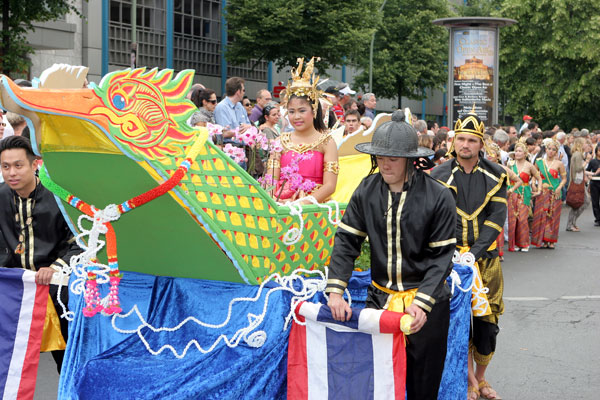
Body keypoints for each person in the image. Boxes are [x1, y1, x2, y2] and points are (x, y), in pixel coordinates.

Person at [327, 109, 456, 400]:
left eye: (393, 158)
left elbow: (441, 258)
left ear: (410, 160)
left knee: (423, 386)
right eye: (380, 157)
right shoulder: (366, 190)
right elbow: (347, 241)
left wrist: (422, 304)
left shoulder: (439, 196)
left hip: (427, 305)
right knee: (381, 383)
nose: (385, 164)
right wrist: (336, 290)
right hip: (381, 301)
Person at [430, 110, 507, 400]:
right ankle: (469, 379)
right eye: (461, 139)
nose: (465, 145)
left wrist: (473, 254)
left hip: (485, 259)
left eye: (471, 140)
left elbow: (495, 219)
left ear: (480, 144)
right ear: (453, 142)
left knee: (488, 324)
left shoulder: (497, 175)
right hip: (450, 261)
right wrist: (452, 253)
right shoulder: (438, 176)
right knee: (457, 322)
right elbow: (435, 219)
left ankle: (482, 378)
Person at [0, 136, 81, 373]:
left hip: (56, 287)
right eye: (5, 167)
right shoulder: (0, 196)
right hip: (14, 287)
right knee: (10, 362)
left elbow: (81, 242)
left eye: (18, 165)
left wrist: (55, 267)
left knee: (66, 359)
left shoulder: (59, 195)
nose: (11, 172)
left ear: (35, 164)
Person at [268, 58, 338, 203]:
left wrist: (301, 204)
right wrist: (275, 203)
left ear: (313, 111)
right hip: (282, 207)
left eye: (302, 110)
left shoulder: (327, 142)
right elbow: (270, 182)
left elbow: (330, 186)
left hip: (315, 209)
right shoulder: (279, 142)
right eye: (292, 111)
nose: (296, 117)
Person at [485, 142, 522, 261]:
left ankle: (498, 252)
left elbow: (518, 181)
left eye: (492, 153)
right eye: (487, 153)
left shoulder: (503, 169)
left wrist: (510, 190)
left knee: (497, 226)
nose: (489, 155)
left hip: (499, 202)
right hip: (485, 201)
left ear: (498, 156)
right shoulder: (481, 168)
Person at [531, 138, 567, 249]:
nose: (551, 151)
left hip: (555, 192)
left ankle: (551, 240)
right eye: (549, 149)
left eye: (553, 150)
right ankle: (541, 240)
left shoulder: (559, 164)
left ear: (556, 152)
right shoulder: (539, 162)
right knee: (541, 215)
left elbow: (564, 179)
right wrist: (533, 184)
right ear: (545, 149)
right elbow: (534, 175)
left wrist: (559, 187)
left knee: (553, 216)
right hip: (542, 192)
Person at [507, 142, 541, 252]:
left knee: (522, 219)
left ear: (525, 153)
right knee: (512, 220)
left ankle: (524, 243)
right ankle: (514, 244)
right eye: (516, 151)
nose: (517, 153)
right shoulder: (510, 164)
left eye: (520, 151)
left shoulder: (529, 166)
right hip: (512, 193)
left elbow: (539, 178)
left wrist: (538, 189)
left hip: (524, 193)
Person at [566, 138, 589, 232]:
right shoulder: (578, 154)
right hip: (577, 182)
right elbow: (578, 168)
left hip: (577, 180)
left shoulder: (576, 154)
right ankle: (571, 223)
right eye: (585, 143)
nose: (586, 145)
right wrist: (587, 161)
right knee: (582, 202)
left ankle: (572, 223)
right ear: (580, 144)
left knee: (578, 203)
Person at [586, 144, 600, 226]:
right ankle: (597, 218)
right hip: (594, 182)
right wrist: (590, 176)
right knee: (595, 201)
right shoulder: (593, 161)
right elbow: (587, 171)